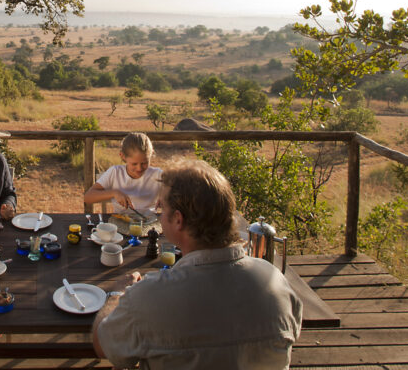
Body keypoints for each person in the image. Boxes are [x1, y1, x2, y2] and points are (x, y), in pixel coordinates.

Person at [92, 159, 303, 370]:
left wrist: (116, 295)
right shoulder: (276, 282)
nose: (158, 211)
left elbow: (103, 346)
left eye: (162, 206)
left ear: (178, 219)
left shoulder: (150, 298)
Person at [83, 132, 162, 214]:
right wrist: (114, 193)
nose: (139, 168)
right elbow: (88, 197)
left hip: (149, 223)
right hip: (121, 222)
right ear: (122, 156)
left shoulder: (158, 175)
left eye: (144, 163)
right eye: (134, 164)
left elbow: (174, 196)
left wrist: (167, 199)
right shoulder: (115, 172)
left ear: (151, 155)